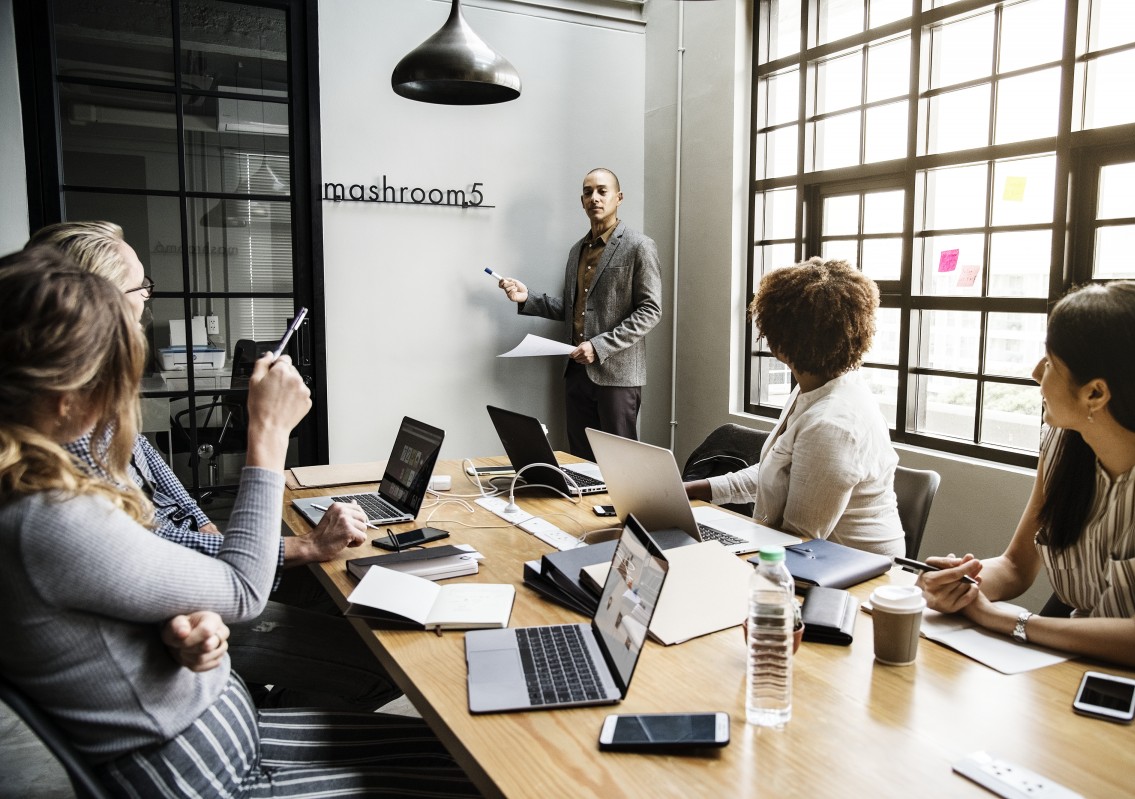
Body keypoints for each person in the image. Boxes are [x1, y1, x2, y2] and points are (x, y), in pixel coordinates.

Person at [0, 249, 479, 797]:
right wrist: (267, 433)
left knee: (465, 757)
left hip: (221, 739)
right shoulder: (47, 517)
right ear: (66, 397)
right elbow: (244, 591)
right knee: (478, 780)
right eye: (114, 377)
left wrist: (172, 625)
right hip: (205, 778)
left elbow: (103, 605)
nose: (119, 403)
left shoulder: (36, 492)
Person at [25, 220, 399, 711]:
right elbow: (223, 582)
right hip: (185, 608)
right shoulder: (67, 452)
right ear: (99, 306)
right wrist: (267, 433)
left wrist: (219, 537)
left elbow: (172, 494)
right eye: (140, 288)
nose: (146, 303)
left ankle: (264, 701)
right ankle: (259, 716)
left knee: (355, 591)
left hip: (199, 582)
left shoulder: (102, 411)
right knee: (385, 660)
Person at [919, 281, 1135, 671]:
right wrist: (963, 586)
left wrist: (999, 618)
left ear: (1096, 394)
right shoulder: (1063, 443)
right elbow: (1017, 567)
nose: (1036, 373)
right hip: (1076, 672)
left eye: (1050, 361)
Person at [683, 258, 904, 558]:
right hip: (812, 559)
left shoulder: (831, 423)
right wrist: (699, 489)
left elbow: (798, 542)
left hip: (854, 581)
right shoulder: (817, 385)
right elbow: (779, 472)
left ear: (780, 343)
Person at [496, 168, 662, 460]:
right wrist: (527, 298)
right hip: (576, 375)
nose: (594, 198)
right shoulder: (577, 251)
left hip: (617, 377)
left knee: (621, 462)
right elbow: (576, 308)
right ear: (581, 200)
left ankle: (622, 509)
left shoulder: (639, 246)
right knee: (581, 462)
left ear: (618, 198)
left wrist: (599, 347)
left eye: (602, 191)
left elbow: (650, 310)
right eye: (588, 192)